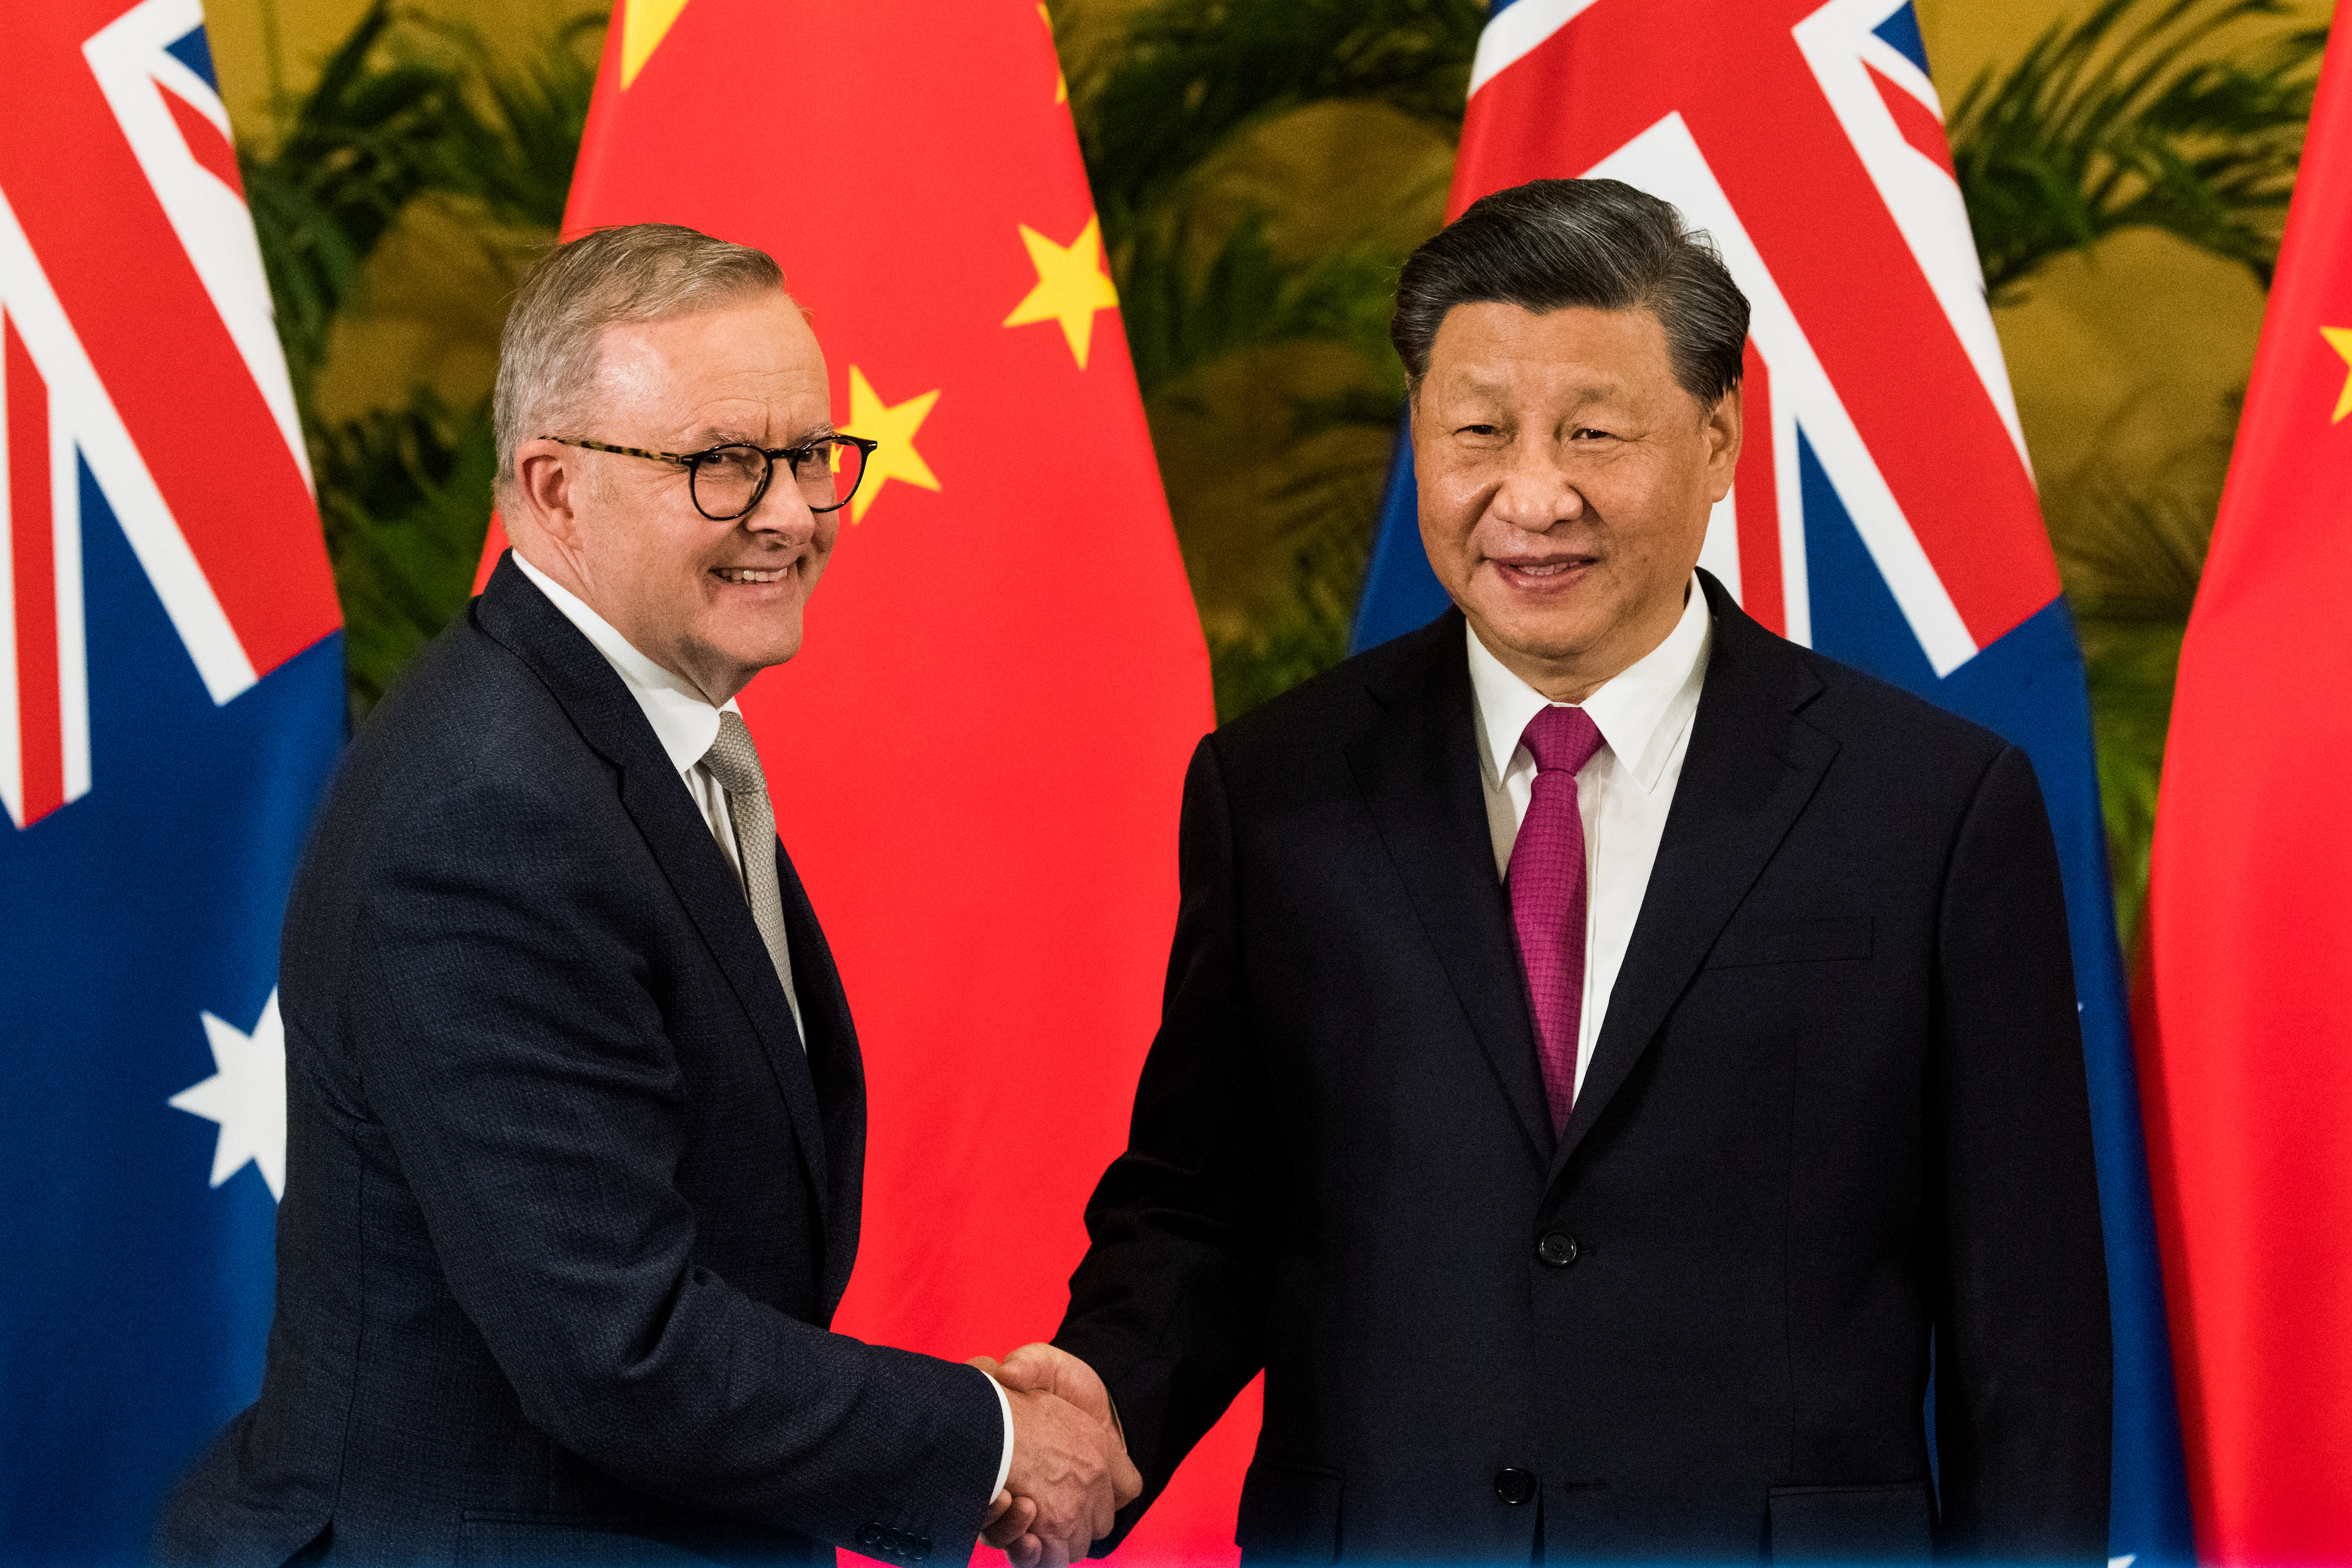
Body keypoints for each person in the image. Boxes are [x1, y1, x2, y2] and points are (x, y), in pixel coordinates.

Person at [988, 179, 2112, 1564]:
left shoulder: (1930, 806)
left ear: (1717, 439)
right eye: (1476, 430)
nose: (1531, 493)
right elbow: (1205, 1201)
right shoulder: (1274, 789)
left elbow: (2029, 1319)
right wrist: (1102, 1411)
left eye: (1592, 431)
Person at [156, 223, 1135, 1568]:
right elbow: (619, 1347)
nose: (791, 510)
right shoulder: (488, 810)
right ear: (552, 489)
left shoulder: (613, 736)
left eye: (808, 455)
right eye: (722, 464)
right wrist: (993, 1439)